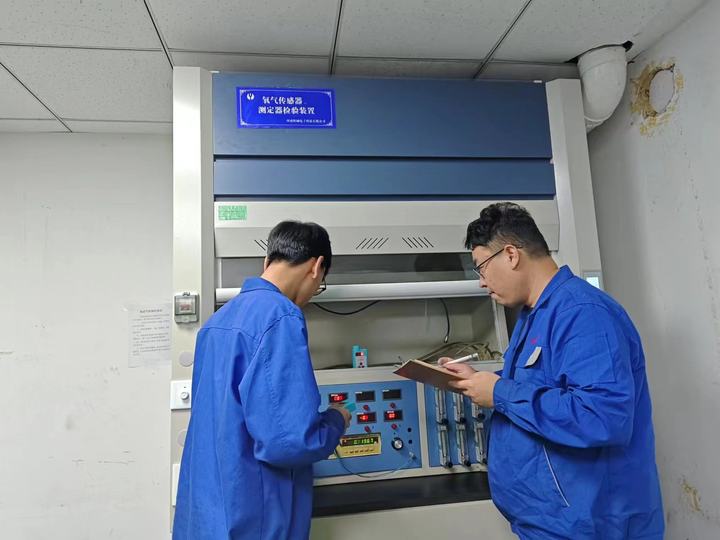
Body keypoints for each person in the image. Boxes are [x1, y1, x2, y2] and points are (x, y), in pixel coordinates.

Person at [441, 202, 664, 539]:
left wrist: (499, 393)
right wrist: (480, 381)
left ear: (511, 255)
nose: (482, 283)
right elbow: (544, 385)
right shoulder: (535, 315)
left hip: (595, 526)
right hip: (552, 523)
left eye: (481, 268)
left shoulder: (583, 313)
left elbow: (602, 416)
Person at [173, 220, 351, 540]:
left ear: (267, 261)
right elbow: (290, 442)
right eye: (320, 284)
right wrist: (336, 421)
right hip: (254, 519)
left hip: (208, 515)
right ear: (317, 267)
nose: (314, 293)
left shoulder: (216, 323)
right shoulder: (281, 316)